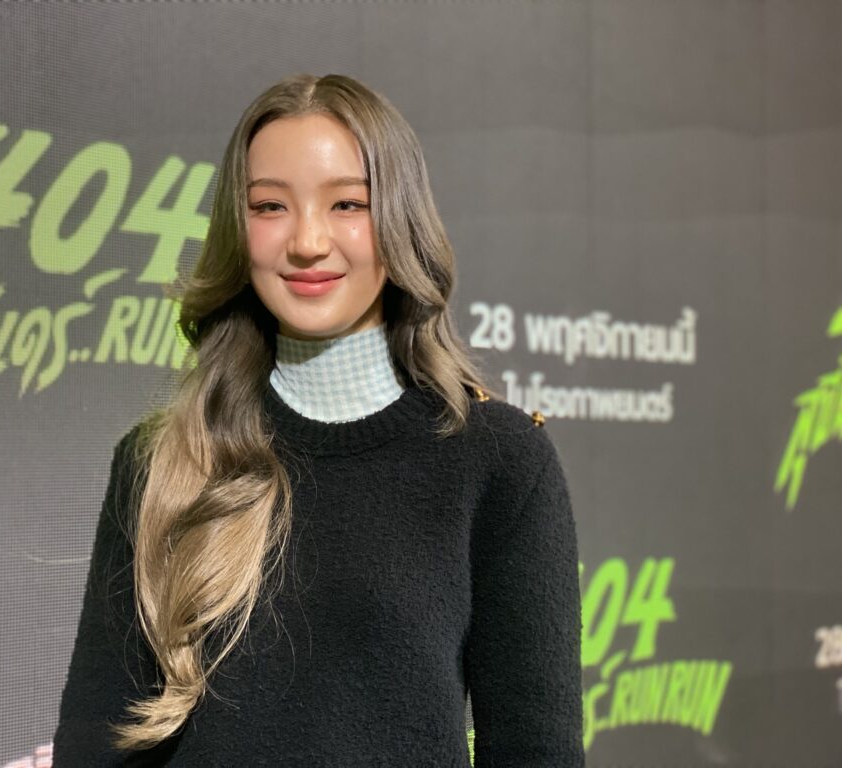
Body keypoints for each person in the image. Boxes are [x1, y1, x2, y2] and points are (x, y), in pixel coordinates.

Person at [53, 73, 584, 767]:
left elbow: (536, 751)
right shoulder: (159, 462)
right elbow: (98, 743)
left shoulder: (499, 462)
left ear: (400, 221)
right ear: (238, 228)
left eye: (348, 204)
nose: (307, 240)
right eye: (270, 205)